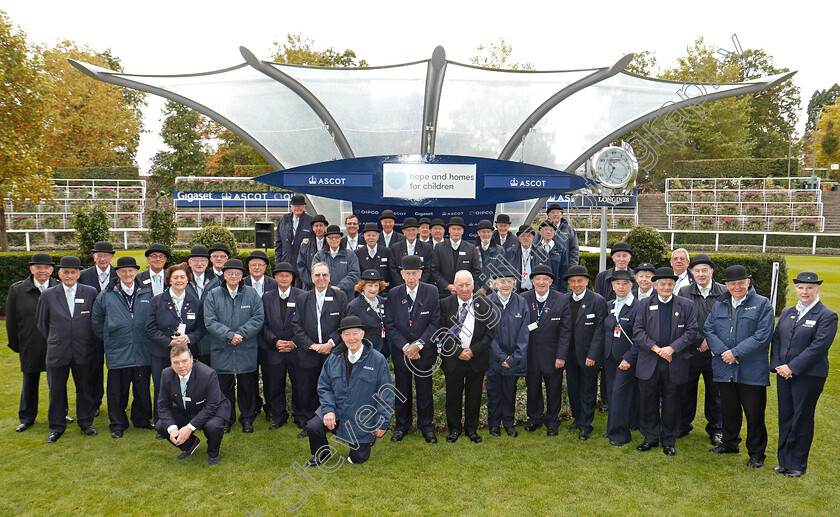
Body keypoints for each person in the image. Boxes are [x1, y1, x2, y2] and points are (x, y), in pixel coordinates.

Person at [705, 265, 775, 468]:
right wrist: (723, 352)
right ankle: (729, 443)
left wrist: (735, 353)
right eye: (732, 283)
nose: (736, 287)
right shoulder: (720, 304)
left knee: (754, 413)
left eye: (740, 283)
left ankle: (756, 453)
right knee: (729, 409)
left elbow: (762, 336)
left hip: (751, 370)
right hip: (724, 368)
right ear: (726, 285)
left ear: (748, 283)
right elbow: (709, 329)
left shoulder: (762, 304)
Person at [771, 271, 838, 477]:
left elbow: (818, 347)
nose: (805, 291)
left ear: (817, 289)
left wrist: (792, 367)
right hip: (784, 374)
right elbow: (777, 340)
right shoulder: (789, 312)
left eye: (809, 288)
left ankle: (797, 464)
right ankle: (784, 461)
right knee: (786, 416)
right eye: (801, 287)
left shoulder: (827, 315)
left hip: (809, 376)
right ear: (796, 289)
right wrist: (779, 366)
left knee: (802, 418)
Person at [303, 316, 394, 466]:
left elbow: (386, 393)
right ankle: (323, 454)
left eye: (355, 333)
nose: (351, 338)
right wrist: (328, 410)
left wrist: (382, 422)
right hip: (338, 408)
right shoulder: (334, 358)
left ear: (362, 334)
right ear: (341, 337)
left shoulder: (377, 360)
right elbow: (324, 386)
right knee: (313, 427)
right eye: (347, 334)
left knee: (357, 459)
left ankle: (365, 439)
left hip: (362, 415)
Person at [632, 267, 698, 456]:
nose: (666, 287)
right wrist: (656, 348)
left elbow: (691, 331)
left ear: (674, 285)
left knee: (672, 402)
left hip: (674, 361)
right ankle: (650, 437)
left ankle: (669, 440)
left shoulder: (686, 305)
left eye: (670, 284)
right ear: (655, 285)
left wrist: (672, 348)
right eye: (662, 284)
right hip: (649, 361)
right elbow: (638, 331)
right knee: (648, 402)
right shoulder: (644, 304)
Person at [36, 256, 100, 442]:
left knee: (85, 389)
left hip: (84, 351)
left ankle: (86, 422)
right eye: (66, 272)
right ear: (59, 274)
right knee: (56, 390)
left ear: (79, 274)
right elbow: (42, 323)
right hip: (58, 352)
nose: (70, 275)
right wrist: (57, 339)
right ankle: (56, 427)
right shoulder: (48, 294)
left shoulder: (90, 292)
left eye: (73, 272)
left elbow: (94, 321)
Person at [92, 256, 154, 439]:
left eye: (131, 271)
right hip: (118, 352)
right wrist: (111, 339)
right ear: (117, 273)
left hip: (142, 350)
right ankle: (118, 424)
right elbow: (96, 322)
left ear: (136, 272)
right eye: (123, 271)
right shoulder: (106, 295)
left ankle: (141, 419)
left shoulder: (147, 293)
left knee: (142, 389)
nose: (128, 274)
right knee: (117, 391)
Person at [203, 259, 265, 434]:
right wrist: (229, 335)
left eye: (237, 273)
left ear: (241, 276)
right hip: (222, 347)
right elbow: (209, 320)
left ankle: (247, 418)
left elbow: (258, 317)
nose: (233, 276)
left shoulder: (251, 294)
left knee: (247, 385)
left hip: (246, 347)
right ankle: (225, 419)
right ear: (224, 275)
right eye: (229, 273)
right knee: (224, 388)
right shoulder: (213, 294)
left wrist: (241, 334)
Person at [384, 255, 441, 443]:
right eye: (407, 273)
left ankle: (427, 427)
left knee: (425, 391)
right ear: (401, 274)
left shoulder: (431, 291)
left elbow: (435, 322)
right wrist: (407, 347)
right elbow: (390, 324)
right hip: (403, 353)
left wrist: (419, 345)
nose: (411, 277)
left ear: (421, 274)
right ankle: (402, 426)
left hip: (424, 352)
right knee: (402, 390)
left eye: (414, 273)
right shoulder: (394, 294)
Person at [146, 262, 206, 436]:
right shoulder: (157, 301)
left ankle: (186, 422)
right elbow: (150, 329)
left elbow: (201, 329)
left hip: (186, 355)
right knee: (161, 388)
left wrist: (189, 338)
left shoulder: (195, 302)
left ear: (188, 280)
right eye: (175, 277)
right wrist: (169, 342)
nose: (179, 280)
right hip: (162, 353)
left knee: (186, 387)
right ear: (169, 280)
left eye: (183, 277)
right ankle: (162, 424)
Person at [291, 262, 348, 437]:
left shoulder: (341, 297)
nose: (321, 278)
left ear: (330, 277)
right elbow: (296, 325)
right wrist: (313, 345)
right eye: (317, 275)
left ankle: (335, 424)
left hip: (333, 352)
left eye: (324, 275)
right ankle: (311, 424)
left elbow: (344, 324)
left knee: (335, 388)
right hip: (310, 352)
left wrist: (330, 343)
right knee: (308, 388)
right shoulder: (302, 298)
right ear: (312, 278)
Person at [438, 270, 494, 443]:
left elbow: (489, 333)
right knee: (453, 396)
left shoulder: (484, 304)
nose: (464, 289)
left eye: (467, 285)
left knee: (474, 396)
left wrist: (473, 350)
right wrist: (458, 351)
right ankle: (454, 430)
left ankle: (472, 430)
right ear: (454, 286)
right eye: (460, 285)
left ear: (473, 285)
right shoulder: (445, 304)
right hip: (454, 359)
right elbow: (441, 332)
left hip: (476, 359)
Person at [6, 253, 59, 432]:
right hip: (30, 343)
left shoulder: (59, 288)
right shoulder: (17, 290)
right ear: (31, 269)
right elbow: (11, 320)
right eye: (38, 267)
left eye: (46, 268)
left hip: (55, 344)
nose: (42, 271)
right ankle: (27, 417)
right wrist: (16, 344)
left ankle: (60, 413)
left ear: (52, 270)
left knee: (56, 383)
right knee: (30, 382)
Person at [677, 254, 724, 446]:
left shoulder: (723, 291)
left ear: (712, 271)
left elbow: (726, 321)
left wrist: (710, 342)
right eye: (697, 271)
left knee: (716, 394)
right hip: (691, 351)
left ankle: (716, 429)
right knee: (686, 391)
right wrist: (698, 340)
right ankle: (683, 424)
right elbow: (680, 320)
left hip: (715, 353)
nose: (701, 274)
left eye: (705, 270)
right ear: (691, 272)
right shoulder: (684, 291)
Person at [156, 344, 230, 466]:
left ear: (192, 359)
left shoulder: (208, 374)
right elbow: (163, 405)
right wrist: (173, 428)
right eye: (176, 362)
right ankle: (190, 444)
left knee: (213, 426)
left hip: (212, 409)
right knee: (161, 425)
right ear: (171, 362)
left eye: (184, 361)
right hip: (186, 409)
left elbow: (212, 405)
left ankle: (214, 451)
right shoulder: (166, 374)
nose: (181, 366)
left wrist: (189, 428)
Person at [522, 264, 571, 436]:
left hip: (553, 356)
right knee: (533, 388)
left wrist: (561, 356)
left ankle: (552, 421)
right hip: (531, 355)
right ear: (532, 281)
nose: (541, 282)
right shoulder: (523, 298)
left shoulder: (562, 299)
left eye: (545, 279)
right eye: (537, 279)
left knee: (553, 389)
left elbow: (566, 331)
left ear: (551, 281)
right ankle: (534, 418)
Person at [594, 269, 640, 446]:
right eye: (617, 284)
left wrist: (629, 358)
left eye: (625, 284)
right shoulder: (609, 305)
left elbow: (639, 337)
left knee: (620, 394)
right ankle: (613, 428)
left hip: (626, 359)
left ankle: (621, 434)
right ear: (612, 286)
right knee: (612, 394)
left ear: (631, 286)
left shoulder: (638, 307)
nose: (621, 287)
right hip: (610, 358)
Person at [563, 265, 607, 440]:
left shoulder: (597, 300)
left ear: (587, 281)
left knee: (587, 389)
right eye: (572, 281)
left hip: (588, 355)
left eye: (580, 281)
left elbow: (600, 331)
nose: (576, 284)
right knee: (573, 388)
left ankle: (586, 425)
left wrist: (592, 355)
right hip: (569, 354)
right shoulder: (565, 299)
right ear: (568, 283)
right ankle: (577, 418)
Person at [259, 262, 305, 430]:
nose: (284, 278)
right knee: (274, 384)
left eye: (287, 275)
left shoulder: (302, 296)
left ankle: (300, 415)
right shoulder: (266, 297)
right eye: (280, 275)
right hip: (275, 349)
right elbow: (262, 324)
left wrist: (294, 342)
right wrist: (275, 341)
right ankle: (279, 416)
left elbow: (306, 323)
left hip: (296, 349)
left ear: (292, 278)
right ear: (275, 278)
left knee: (299, 384)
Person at [486, 267, 530, 438]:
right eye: (502, 281)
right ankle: (494, 424)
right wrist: (501, 356)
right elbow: (487, 334)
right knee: (494, 392)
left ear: (514, 284)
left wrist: (514, 358)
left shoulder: (521, 302)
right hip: (493, 359)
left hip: (513, 360)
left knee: (509, 393)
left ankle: (509, 423)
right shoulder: (487, 302)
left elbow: (525, 333)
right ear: (495, 284)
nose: (506, 285)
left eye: (510, 281)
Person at [78, 240, 115, 417]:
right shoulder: (83, 275)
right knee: (93, 369)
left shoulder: (120, 273)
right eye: (99, 255)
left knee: (117, 370)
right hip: (91, 331)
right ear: (94, 257)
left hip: (116, 331)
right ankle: (94, 403)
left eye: (106, 255)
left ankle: (117, 403)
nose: (102, 259)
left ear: (111, 257)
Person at [429, 217, 482, 297]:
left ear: (463, 231)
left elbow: (476, 270)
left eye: (459, 229)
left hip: (465, 292)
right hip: (444, 292)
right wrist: (447, 286)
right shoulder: (439, 247)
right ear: (449, 231)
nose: (456, 232)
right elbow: (434, 270)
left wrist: (464, 286)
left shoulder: (471, 248)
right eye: (453, 229)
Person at [312, 224, 361, 301]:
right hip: (325, 296)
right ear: (326, 239)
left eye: (337, 237)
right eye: (331, 237)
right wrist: (329, 288)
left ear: (340, 238)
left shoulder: (350, 255)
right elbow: (315, 274)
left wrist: (339, 287)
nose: (334, 239)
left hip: (346, 297)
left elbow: (354, 274)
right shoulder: (319, 256)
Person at [347, 269, 389, 358]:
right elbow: (352, 332)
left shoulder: (381, 301)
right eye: (370, 285)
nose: (373, 289)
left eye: (376, 285)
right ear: (363, 286)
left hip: (382, 350)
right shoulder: (354, 306)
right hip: (365, 352)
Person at [389, 217, 433, 286]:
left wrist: (418, 284)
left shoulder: (426, 247)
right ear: (403, 232)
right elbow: (393, 269)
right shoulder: (395, 248)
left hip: (421, 287)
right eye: (408, 230)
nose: (411, 233)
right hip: (400, 287)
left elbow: (428, 269)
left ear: (418, 231)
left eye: (413, 230)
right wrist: (403, 285)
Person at [275, 193, 313, 267]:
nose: (297, 208)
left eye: (300, 206)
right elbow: (278, 244)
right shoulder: (284, 220)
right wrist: (278, 264)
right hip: (286, 262)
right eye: (295, 206)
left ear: (304, 207)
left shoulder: (310, 220)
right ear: (291, 207)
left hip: (303, 264)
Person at [505, 224, 545, 292]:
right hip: (516, 291)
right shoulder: (510, 252)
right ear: (519, 238)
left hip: (535, 290)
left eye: (528, 236)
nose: (525, 238)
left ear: (532, 238)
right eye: (523, 236)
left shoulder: (541, 252)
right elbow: (505, 272)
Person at [473, 219, 505, 296]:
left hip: (493, 291)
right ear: (478, 233)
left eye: (488, 232)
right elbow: (470, 270)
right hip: (475, 291)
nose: (486, 234)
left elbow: (499, 271)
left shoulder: (500, 250)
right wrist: (477, 288)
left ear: (492, 233)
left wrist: (485, 288)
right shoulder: (472, 249)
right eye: (483, 232)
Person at [296, 214, 328, 289]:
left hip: (327, 285)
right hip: (309, 287)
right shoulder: (306, 245)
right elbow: (301, 265)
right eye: (316, 226)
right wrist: (312, 282)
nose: (319, 228)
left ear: (325, 227)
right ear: (313, 228)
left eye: (321, 225)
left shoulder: (330, 244)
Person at [356, 222, 391, 289]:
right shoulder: (357, 253)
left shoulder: (387, 252)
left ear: (378, 237)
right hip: (365, 290)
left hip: (383, 290)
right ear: (364, 237)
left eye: (373, 235)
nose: (371, 238)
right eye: (368, 235)